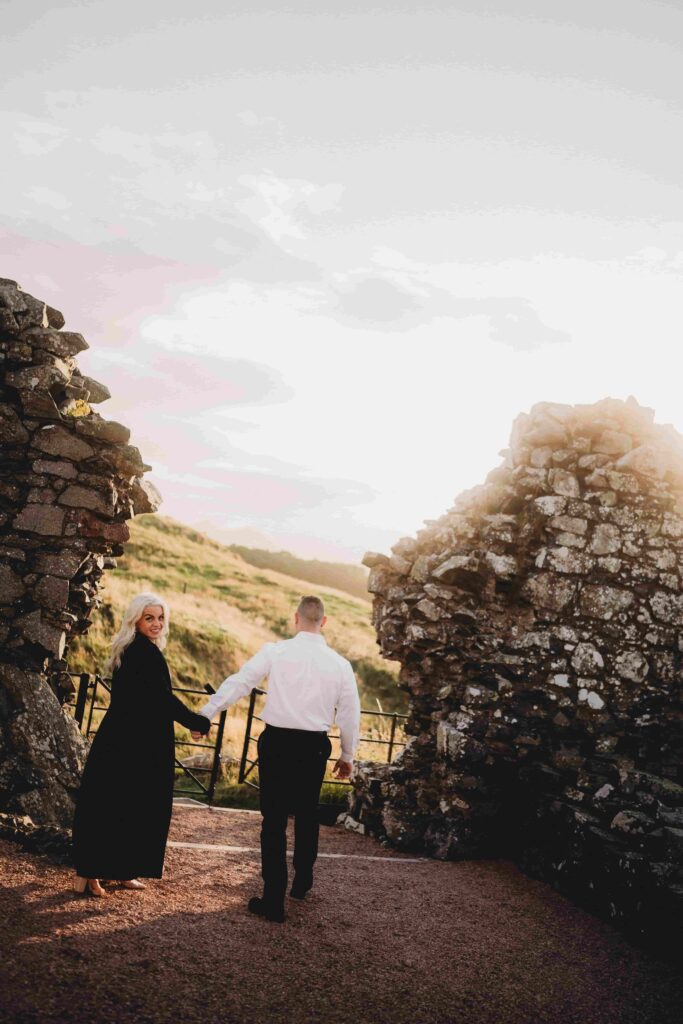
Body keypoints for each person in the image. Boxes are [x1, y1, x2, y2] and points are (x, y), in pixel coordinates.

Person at [196, 595, 361, 922]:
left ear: (295, 618)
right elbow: (350, 714)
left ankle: (273, 899)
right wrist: (347, 755)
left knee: (273, 821)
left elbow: (241, 683)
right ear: (323, 622)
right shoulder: (340, 665)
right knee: (307, 813)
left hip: (276, 744)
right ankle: (302, 880)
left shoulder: (276, 651)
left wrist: (207, 712)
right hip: (313, 746)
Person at [71, 592, 211, 897]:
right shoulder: (141, 652)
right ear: (136, 619)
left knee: (131, 805)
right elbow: (162, 699)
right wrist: (197, 722)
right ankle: (90, 873)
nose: (157, 623)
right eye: (149, 617)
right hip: (130, 742)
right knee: (114, 804)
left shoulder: (138, 649)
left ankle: (121, 871)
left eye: (161, 617)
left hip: (134, 738)